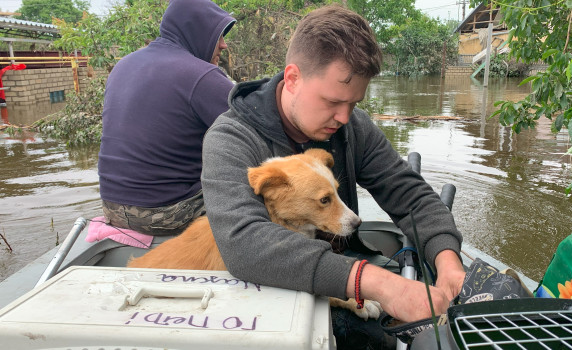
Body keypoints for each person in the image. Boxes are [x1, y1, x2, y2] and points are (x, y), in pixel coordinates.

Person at [201, 4, 465, 348]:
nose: (343, 117)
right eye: (332, 101)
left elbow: (410, 196)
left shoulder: (352, 126)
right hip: (261, 284)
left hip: (341, 264)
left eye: (354, 103)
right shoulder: (230, 140)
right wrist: (379, 283)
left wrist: (448, 262)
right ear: (293, 78)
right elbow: (244, 244)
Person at [98, 0, 236, 236]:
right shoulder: (202, 75)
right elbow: (254, 129)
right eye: (218, 36)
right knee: (266, 187)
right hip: (166, 212)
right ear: (197, 32)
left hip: (111, 208)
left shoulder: (124, 64)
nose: (223, 45)